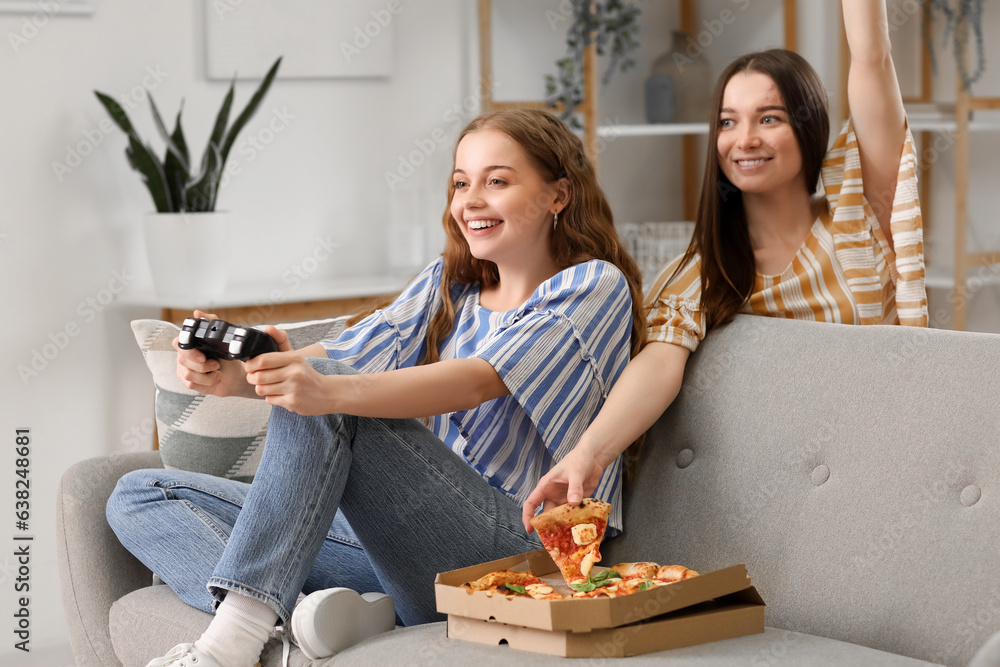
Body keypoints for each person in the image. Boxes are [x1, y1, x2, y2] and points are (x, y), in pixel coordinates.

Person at [106, 108, 647, 667]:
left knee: (330, 391)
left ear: (559, 195)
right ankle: (302, 627)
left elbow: (474, 382)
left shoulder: (591, 285)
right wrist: (239, 374)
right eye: (461, 183)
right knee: (140, 494)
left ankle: (230, 645)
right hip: (408, 553)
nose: (470, 200)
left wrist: (323, 389)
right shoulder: (450, 284)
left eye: (498, 181)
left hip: (516, 552)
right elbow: (349, 352)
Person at [522, 0, 929, 527]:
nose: (745, 140)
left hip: (896, 458)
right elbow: (658, 367)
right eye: (727, 122)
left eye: (770, 119)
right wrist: (589, 454)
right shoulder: (701, 271)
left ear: (808, 126)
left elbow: (872, 58)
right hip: (786, 495)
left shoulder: (857, 212)